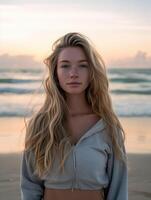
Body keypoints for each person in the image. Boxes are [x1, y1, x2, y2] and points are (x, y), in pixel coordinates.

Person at [20, 32, 128, 200]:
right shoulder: (40, 125)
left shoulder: (108, 127)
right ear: (55, 72)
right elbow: (30, 186)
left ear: (92, 71)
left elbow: (118, 189)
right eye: (65, 65)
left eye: (82, 65)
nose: (73, 73)